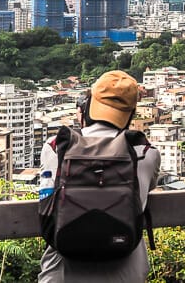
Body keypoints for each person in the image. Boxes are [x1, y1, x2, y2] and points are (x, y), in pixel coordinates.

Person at [38, 70, 161, 283]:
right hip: (126, 274)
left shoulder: (55, 148)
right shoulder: (145, 154)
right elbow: (147, 188)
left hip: (61, 275)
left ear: (87, 107)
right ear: (130, 114)